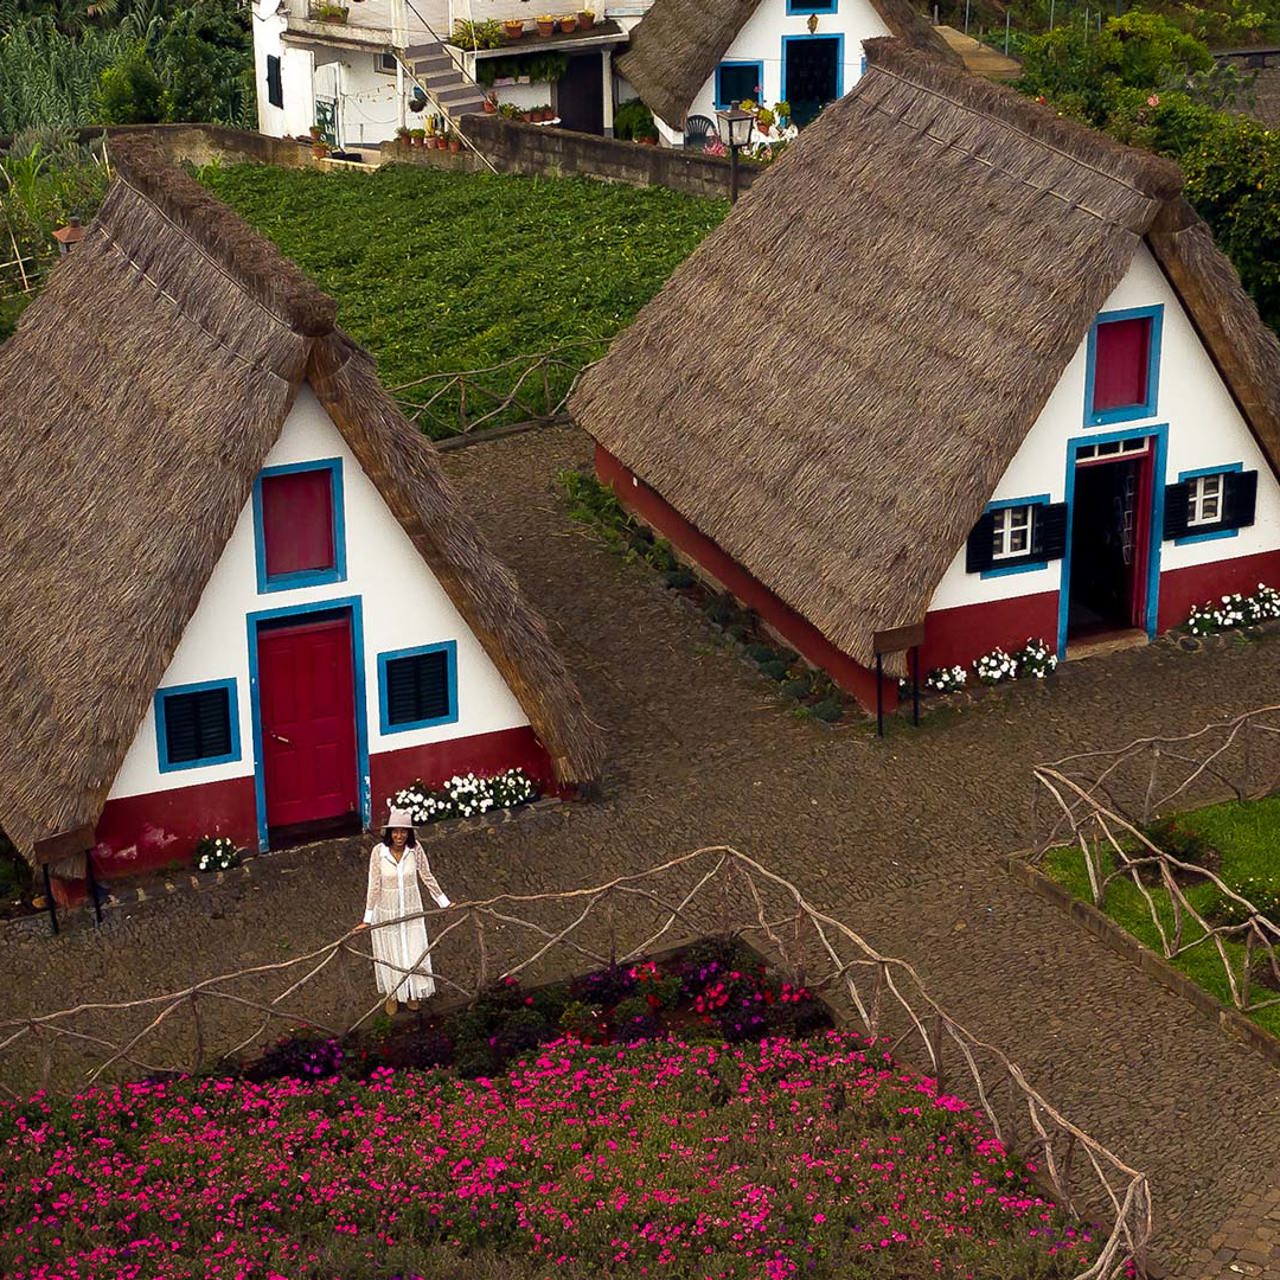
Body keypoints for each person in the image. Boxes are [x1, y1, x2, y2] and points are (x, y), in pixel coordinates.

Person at [354, 808, 451, 1016]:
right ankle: (393, 993)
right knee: (392, 953)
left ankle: (413, 992)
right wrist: (367, 918)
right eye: (395, 832)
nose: (399, 836)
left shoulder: (415, 849)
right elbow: (374, 885)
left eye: (404, 832)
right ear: (389, 833)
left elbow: (426, 875)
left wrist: (444, 902)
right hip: (387, 912)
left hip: (411, 910)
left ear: (409, 833)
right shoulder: (378, 853)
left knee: (413, 949)